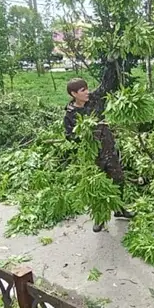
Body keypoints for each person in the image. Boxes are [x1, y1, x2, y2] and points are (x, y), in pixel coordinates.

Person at [63, 77, 134, 232]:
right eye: (83, 90)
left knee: (118, 180)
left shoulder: (95, 99)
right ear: (74, 94)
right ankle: (100, 217)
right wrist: (84, 133)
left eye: (87, 88)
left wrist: (110, 61)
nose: (87, 92)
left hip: (108, 149)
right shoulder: (70, 114)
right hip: (93, 157)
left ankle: (119, 209)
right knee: (97, 186)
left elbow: (108, 83)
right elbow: (69, 136)